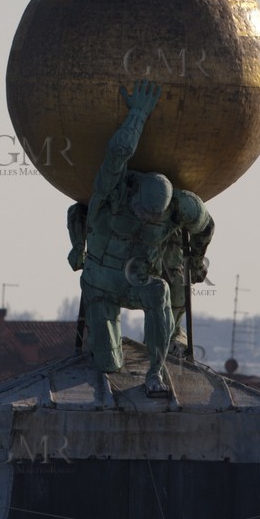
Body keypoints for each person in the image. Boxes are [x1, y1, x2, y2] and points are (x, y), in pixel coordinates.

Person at [67, 79, 213, 396]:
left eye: (153, 216)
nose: (147, 219)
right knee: (106, 363)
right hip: (102, 281)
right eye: (143, 212)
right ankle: (103, 346)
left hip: (139, 280)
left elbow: (205, 226)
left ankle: (154, 372)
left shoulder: (179, 207)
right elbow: (117, 153)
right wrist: (138, 115)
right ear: (135, 197)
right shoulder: (113, 192)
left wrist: (197, 260)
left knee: (159, 290)